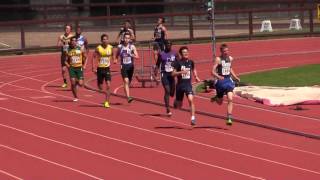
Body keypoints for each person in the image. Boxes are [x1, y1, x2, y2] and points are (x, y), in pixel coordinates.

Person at [210, 43, 240, 126]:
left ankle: (229, 117)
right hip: (220, 82)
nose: (226, 52)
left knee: (230, 98)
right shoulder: (218, 59)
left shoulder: (230, 58)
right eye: (224, 51)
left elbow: (230, 68)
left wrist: (235, 77)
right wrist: (218, 76)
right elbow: (212, 71)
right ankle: (216, 98)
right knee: (220, 103)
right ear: (221, 52)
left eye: (227, 51)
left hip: (228, 81)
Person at [172, 46, 201, 126]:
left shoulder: (191, 62)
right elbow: (173, 74)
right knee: (179, 106)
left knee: (191, 99)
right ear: (181, 54)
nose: (186, 53)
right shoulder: (178, 63)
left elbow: (193, 69)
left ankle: (193, 118)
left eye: (187, 52)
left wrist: (196, 76)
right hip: (180, 86)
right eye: (184, 52)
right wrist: (181, 72)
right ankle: (176, 101)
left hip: (188, 85)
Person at [155, 40, 178, 116]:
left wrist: (179, 71)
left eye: (169, 44)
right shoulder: (161, 54)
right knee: (167, 91)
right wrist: (156, 72)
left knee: (172, 92)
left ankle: (172, 97)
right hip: (164, 74)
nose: (168, 45)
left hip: (172, 74)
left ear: (171, 45)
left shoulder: (175, 53)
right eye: (167, 44)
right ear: (165, 45)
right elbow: (158, 64)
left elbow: (179, 63)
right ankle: (168, 108)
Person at [116, 33, 139, 103]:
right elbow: (117, 54)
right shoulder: (120, 47)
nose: (127, 39)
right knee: (126, 81)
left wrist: (131, 54)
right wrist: (115, 59)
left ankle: (126, 90)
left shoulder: (132, 47)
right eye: (125, 38)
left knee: (128, 82)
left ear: (130, 39)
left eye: (128, 38)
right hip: (123, 66)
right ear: (123, 38)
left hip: (130, 67)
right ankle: (128, 97)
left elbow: (137, 56)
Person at [91, 34, 113, 108]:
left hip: (107, 68)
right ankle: (104, 92)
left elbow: (112, 54)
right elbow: (93, 57)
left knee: (108, 85)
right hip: (100, 69)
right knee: (100, 87)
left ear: (108, 40)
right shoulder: (98, 48)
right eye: (103, 39)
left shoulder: (110, 47)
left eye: (106, 39)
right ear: (101, 40)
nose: (105, 40)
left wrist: (115, 60)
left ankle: (106, 102)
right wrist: (93, 67)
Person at [65, 36, 87, 102]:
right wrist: (68, 66)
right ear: (71, 42)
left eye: (75, 41)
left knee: (80, 84)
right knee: (73, 82)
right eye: (73, 41)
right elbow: (65, 61)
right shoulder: (68, 50)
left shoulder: (80, 48)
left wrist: (84, 65)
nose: (74, 42)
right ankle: (75, 96)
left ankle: (77, 81)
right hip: (72, 68)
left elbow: (85, 57)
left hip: (79, 67)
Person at [57, 24, 74, 88]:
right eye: (66, 28)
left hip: (71, 56)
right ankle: (65, 82)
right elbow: (58, 45)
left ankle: (73, 82)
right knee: (63, 70)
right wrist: (62, 43)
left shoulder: (72, 37)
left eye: (68, 29)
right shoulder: (61, 36)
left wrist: (69, 43)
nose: (67, 30)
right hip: (64, 55)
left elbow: (75, 45)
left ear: (70, 30)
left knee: (71, 70)